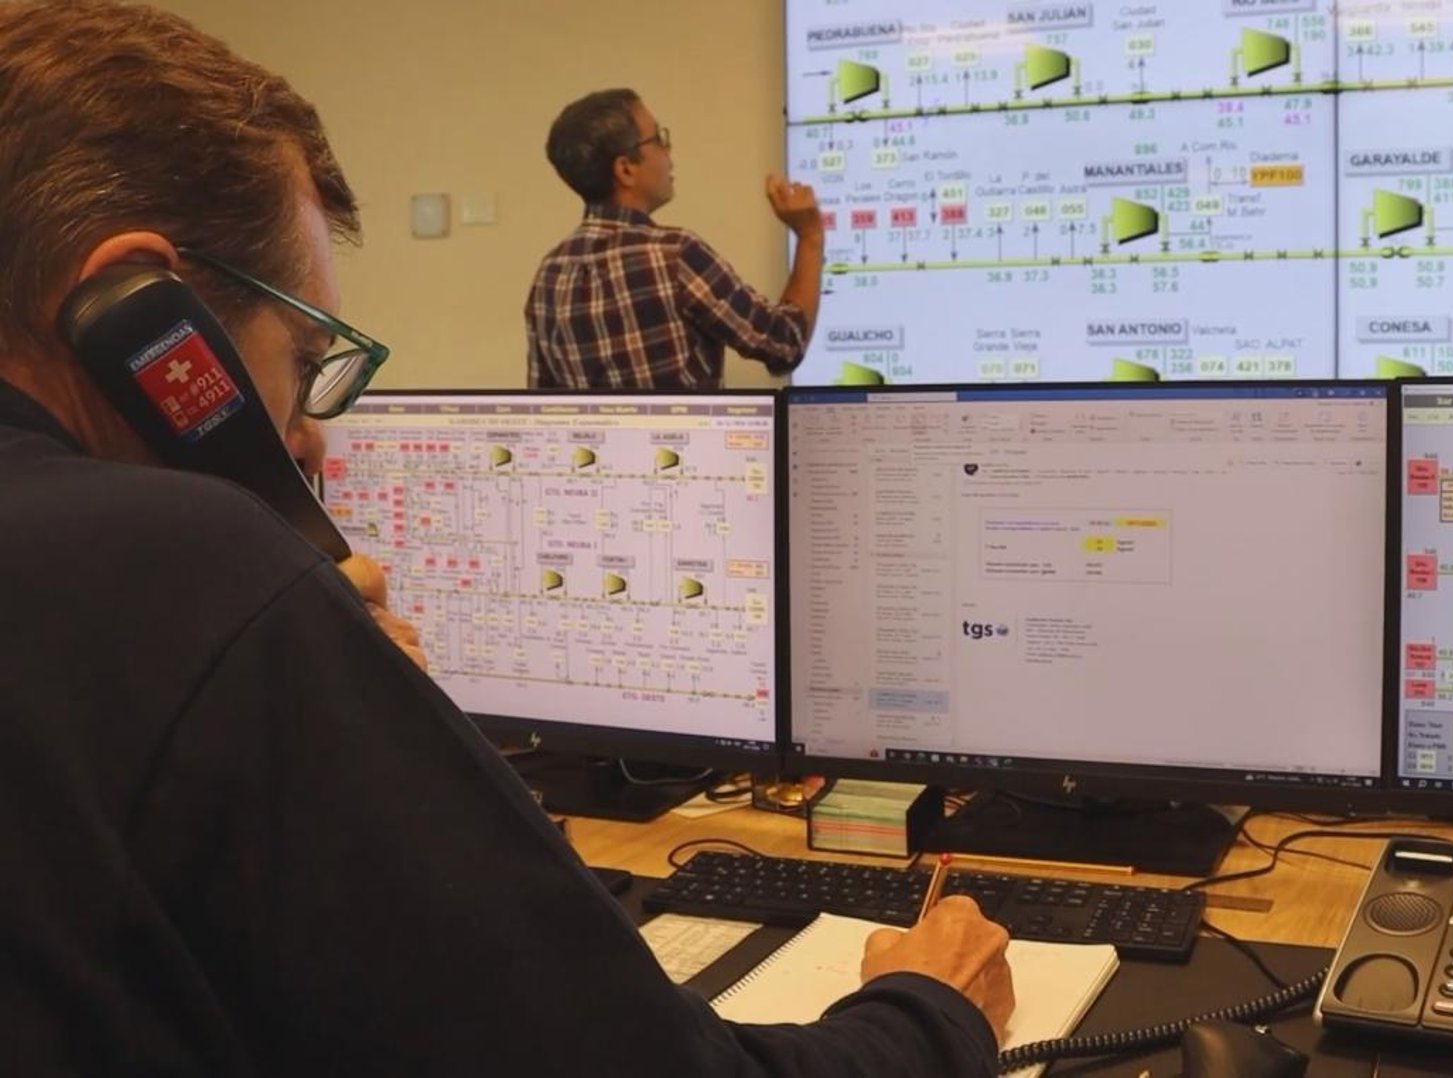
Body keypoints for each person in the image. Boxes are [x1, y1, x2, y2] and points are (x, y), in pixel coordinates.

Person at [0, 3, 1012, 1075]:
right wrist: (934, 1011)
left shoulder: (549, 273)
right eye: (303, 355)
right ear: (138, 318)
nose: (307, 435)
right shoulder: (194, 572)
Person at [526, 88, 825, 389]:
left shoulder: (550, 273)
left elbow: (541, 405)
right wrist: (809, 236)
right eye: (658, 139)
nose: (668, 151)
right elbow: (784, 345)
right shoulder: (672, 255)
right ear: (626, 169)